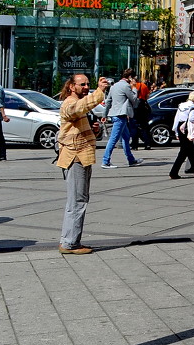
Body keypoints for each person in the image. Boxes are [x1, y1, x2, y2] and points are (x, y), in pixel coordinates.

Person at [56, 74, 111, 255]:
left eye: (88, 84)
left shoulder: (76, 102)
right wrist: (99, 91)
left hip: (81, 156)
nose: (86, 86)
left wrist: (92, 130)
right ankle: (70, 243)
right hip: (74, 157)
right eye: (83, 84)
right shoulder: (69, 102)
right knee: (77, 201)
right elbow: (76, 109)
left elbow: (78, 121)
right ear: (72, 86)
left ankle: (71, 240)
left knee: (79, 200)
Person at [102, 70, 143, 169]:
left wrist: (104, 114)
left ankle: (131, 160)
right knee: (113, 139)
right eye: (134, 78)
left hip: (115, 114)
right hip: (121, 115)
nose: (135, 80)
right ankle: (105, 161)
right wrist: (134, 88)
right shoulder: (126, 86)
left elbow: (108, 102)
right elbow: (133, 99)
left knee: (126, 137)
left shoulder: (114, 86)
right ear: (130, 77)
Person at [169, 91, 194, 180]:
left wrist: (176, 131)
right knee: (184, 151)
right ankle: (173, 172)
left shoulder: (181, 106)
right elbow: (193, 119)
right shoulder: (193, 107)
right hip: (187, 129)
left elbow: (177, 119)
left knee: (190, 151)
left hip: (180, 128)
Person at [131, 75, 152, 150]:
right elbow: (147, 96)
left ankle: (134, 145)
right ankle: (147, 144)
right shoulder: (144, 86)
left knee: (134, 127)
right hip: (142, 107)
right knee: (144, 127)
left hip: (134, 108)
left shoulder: (131, 87)